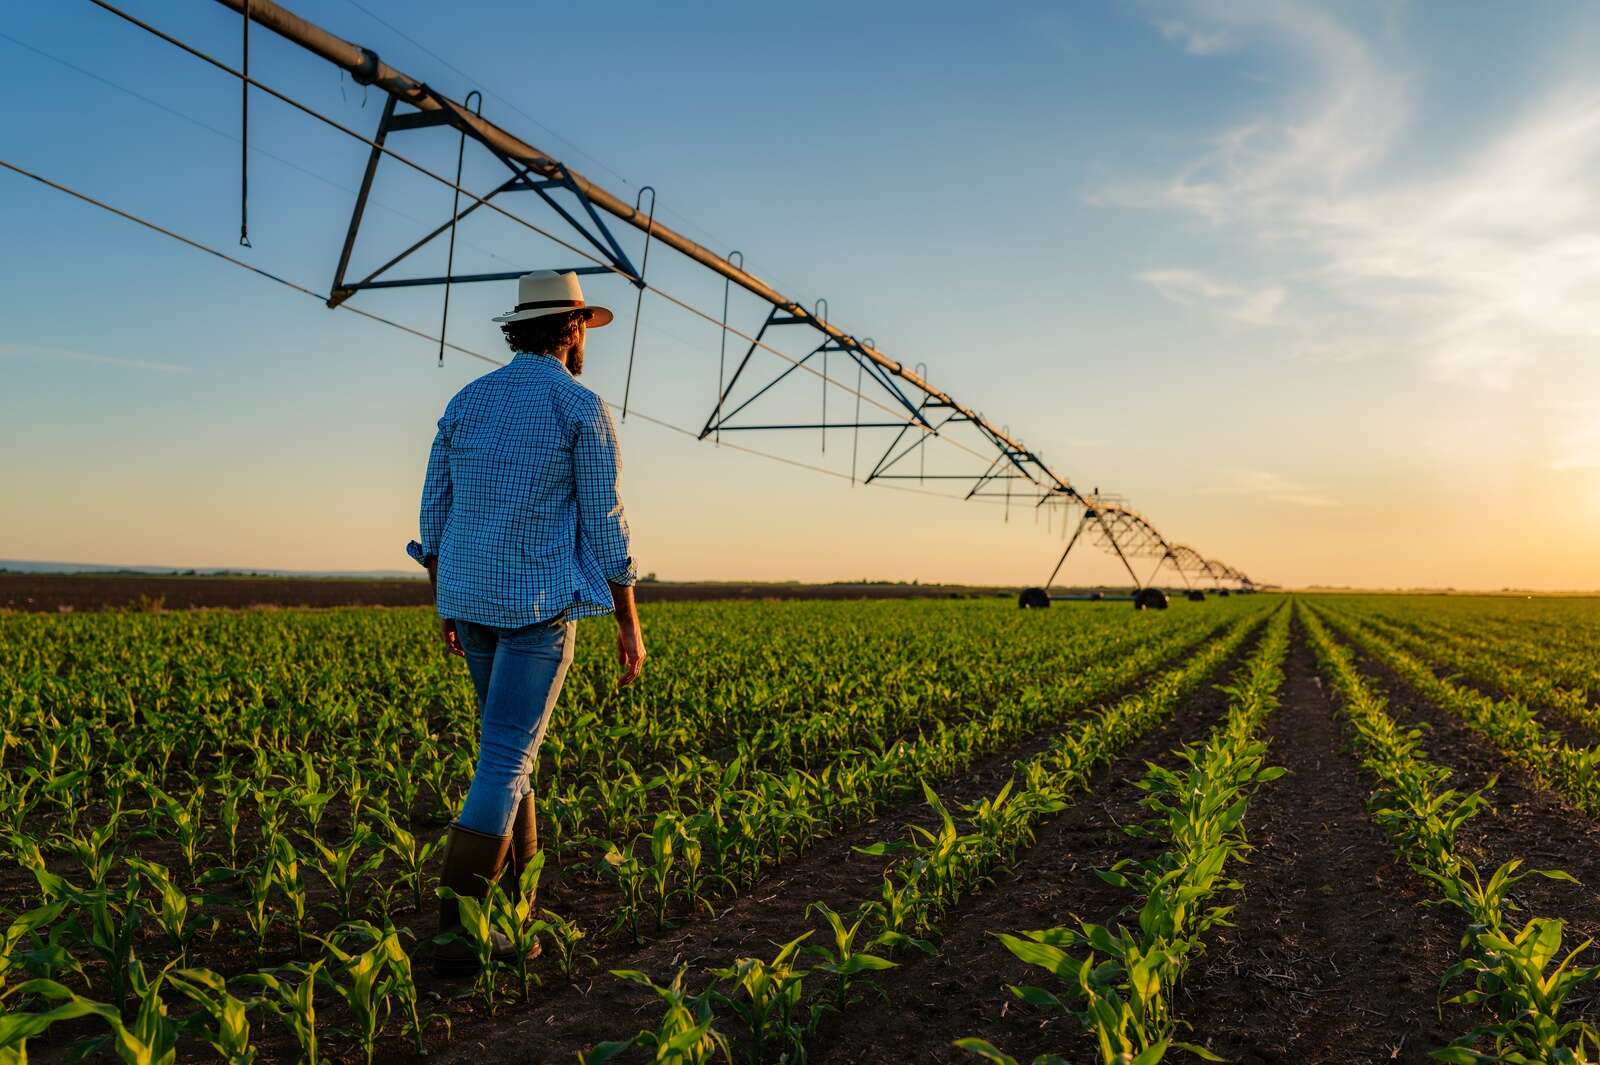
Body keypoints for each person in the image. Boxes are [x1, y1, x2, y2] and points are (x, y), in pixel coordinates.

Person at [405, 269, 645, 976]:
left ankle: (518, 910)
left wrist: (443, 599)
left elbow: (434, 513)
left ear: (518, 328)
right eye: (585, 330)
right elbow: (607, 524)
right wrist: (629, 620)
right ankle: (459, 935)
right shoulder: (581, 407)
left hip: (470, 599)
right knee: (507, 758)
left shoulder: (466, 401)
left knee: (511, 754)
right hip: (537, 608)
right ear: (571, 330)